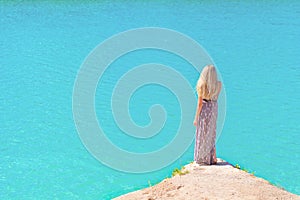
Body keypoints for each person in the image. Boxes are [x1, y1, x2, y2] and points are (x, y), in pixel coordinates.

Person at [193, 65, 222, 165]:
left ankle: (201, 157)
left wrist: (196, 118)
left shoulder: (202, 86)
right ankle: (212, 157)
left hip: (205, 108)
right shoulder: (219, 85)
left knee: (202, 132)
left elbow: (200, 104)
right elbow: (216, 97)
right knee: (211, 132)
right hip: (214, 108)